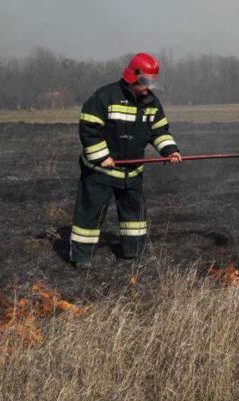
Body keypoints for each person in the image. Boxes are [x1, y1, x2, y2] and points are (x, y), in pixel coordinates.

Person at [69, 52, 181, 268]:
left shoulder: (152, 103)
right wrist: (103, 157)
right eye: (144, 83)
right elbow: (89, 129)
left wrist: (170, 150)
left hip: (132, 171)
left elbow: (159, 131)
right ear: (132, 76)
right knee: (90, 214)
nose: (147, 88)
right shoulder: (104, 97)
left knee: (134, 216)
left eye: (151, 83)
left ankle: (133, 251)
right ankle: (82, 257)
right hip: (100, 171)